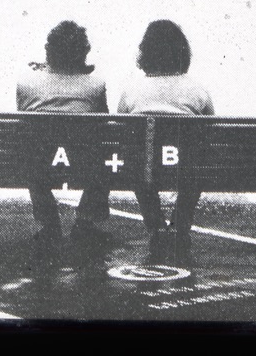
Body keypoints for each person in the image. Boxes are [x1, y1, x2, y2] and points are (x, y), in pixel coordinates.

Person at [118, 20, 214, 261]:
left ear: (146, 53)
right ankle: (182, 227)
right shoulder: (197, 91)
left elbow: (120, 131)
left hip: (146, 169)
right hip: (186, 169)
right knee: (195, 161)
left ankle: (156, 227)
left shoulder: (132, 91)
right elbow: (211, 130)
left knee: (139, 162)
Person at [16, 21, 110, 249]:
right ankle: (84, 222)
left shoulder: (26, 84)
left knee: (32, 154)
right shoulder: (96, 86)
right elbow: (103, 123)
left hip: (40, 166)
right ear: (83, 52)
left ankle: (50, 225)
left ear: (49, 51)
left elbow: (23, 121)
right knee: (105, 155)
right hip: (83, 164)